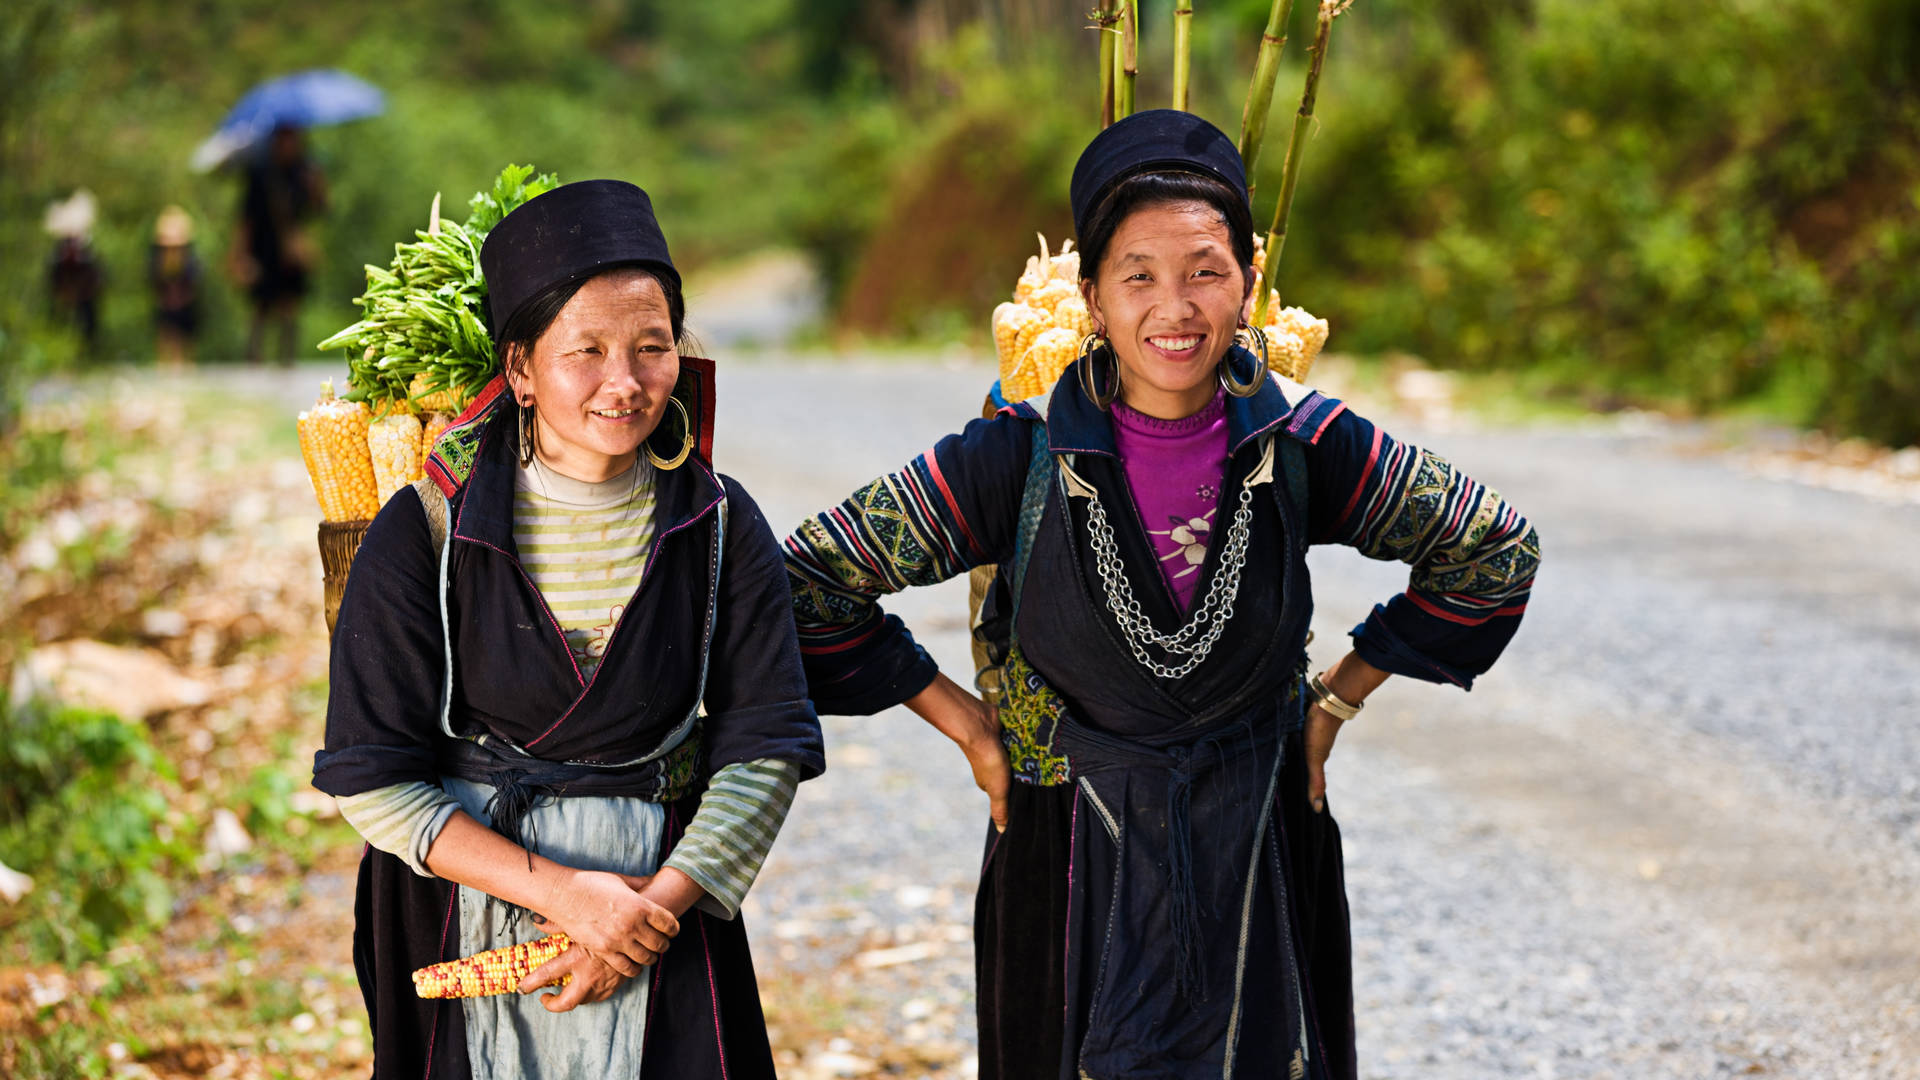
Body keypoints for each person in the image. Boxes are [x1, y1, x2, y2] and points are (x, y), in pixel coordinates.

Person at [782, 110, 1542, 1079]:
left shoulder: (1305, 440)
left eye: (1204, 272)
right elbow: (807, 580)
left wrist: (1337, 700)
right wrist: (970, 728)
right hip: (1064, 847)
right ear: (1092, 297)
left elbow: (1490, 547)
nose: (1174, 308)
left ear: (1249, 284)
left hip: (1257, 825)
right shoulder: (1016, 456)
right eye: (1138, 275)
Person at [313, 180, 824, 1079]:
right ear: (519, 370)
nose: (624, 383)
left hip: (663, 915)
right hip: (465, 907)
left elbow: (764, 746)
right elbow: (371, 777)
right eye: (585, 350)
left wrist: (641, 917)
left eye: (652, 347)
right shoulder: (424, 531)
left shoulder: (718, 526)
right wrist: (570, 901)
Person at [233, 123, 326, 365]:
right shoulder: (260, 173)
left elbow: (319, 210)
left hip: (291, 248)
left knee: (290, 303)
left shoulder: (304, 171)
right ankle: (254, 356)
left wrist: (316, 186)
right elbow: (246, 218)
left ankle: (287, 357)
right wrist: (241, 254)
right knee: (261, 303)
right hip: (264, 246)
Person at [150, 206, 202, 370]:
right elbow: (153, 280)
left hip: (185, 302)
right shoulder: (157, 259)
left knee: (186, 333)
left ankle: (185, 364)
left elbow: (195, 280)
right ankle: (164, 364)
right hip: (165, 302)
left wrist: (184, 297)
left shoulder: (190, 259)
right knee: (165, 331)